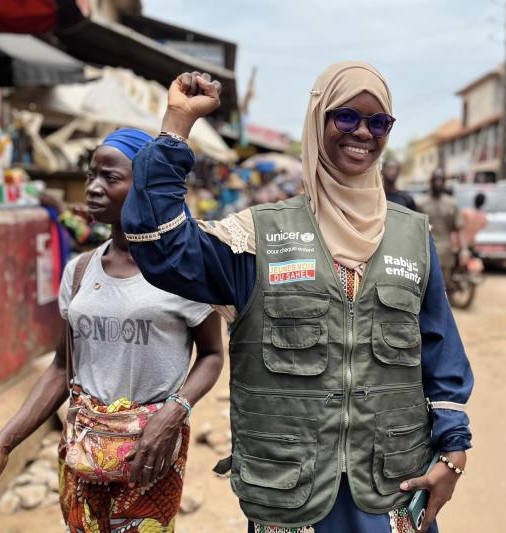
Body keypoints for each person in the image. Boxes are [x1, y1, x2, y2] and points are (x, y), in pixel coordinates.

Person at [121, 65, 473, 533]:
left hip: (390, 492)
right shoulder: (258, 236)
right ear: (317, 121)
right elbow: (159, 244)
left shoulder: (412, 234)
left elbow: (439, 348)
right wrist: (177, 126)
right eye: (345, 118)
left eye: (378, 122)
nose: (362, 133)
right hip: (290, 496)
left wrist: (452, 457)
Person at [0, 129, 224, 532]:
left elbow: (211, 355)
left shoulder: (185, 272)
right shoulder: (81, 270)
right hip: (82, 455)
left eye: (110, 177)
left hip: (149, 457)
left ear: (146, 186)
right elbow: (59, 369)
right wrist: (1, 445)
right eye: (91, 176)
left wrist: (176, 411)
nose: (93, 188)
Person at [418, 168, 463, 289]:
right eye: (435, 179)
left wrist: (463, 250)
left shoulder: (451, 204)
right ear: (431, 181)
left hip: (445, 253)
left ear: (444, 182)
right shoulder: (421, 204)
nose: (438, 182)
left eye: (441, 180)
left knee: (444, 288)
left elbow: (459, 229)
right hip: (426, 253)